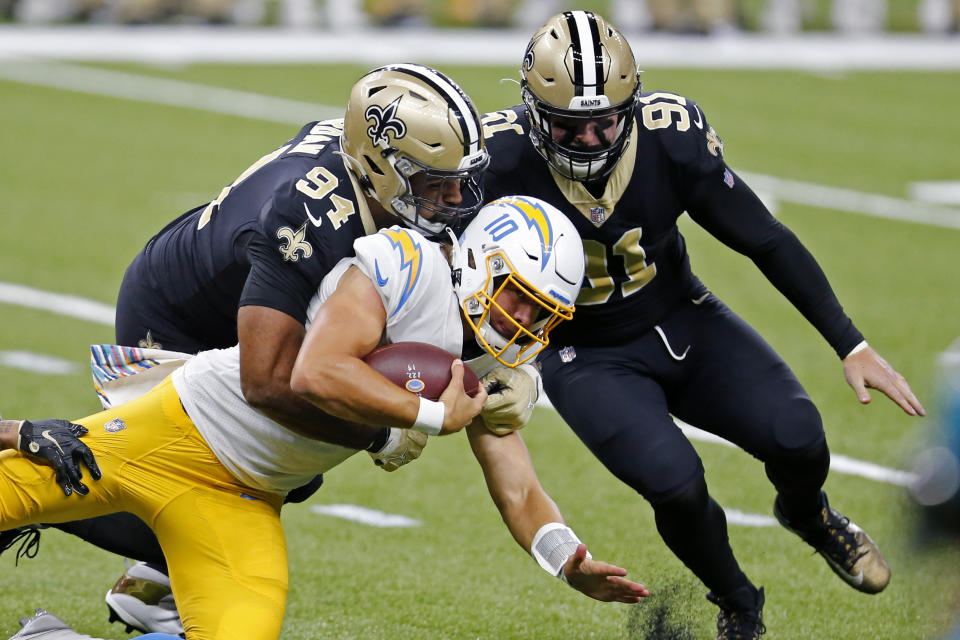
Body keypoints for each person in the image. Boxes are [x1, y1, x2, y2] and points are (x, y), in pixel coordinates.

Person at [0, 196, 648, 640]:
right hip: (179, 429)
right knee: (13, 489)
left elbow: (517, 480)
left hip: (247, 500)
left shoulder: (491, 365)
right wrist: (416, 417)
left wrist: (566, 558)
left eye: (541, 314)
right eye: (519, 298)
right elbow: (315, 370)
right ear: (483, 261)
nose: (523, 323)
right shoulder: (409, 269)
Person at [0, 61, 492, 636]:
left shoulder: (365, 166)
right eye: (434, 181)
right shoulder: (309, 214)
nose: (454, 196)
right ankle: (54, 490)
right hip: (180, 317)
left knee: (288, 470)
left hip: (243, 300)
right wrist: (388, 427)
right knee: (196, 468)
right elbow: (266, 382)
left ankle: (153, 585)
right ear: (377, 166)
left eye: (458, 177)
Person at [481, 10, 926, 640]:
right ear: (533, 111)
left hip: (680, 313)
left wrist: (850, 343)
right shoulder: (495, 162)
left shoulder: (671, 136)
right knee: (677, 484)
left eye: (604, 120)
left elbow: (764, 239)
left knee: (800, 437)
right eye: (569, 125)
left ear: (629, 108)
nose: (589, 139)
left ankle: (810, 517)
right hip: (586, 354)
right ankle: (740, 604)